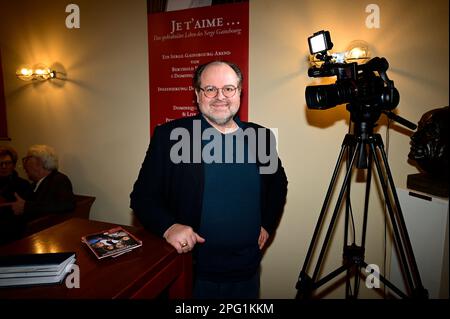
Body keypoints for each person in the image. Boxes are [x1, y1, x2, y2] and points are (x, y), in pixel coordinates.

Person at [130, 60, 288, 299]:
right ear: (197, 94)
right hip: (191, 272)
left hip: (247, 273)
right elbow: (143, 196)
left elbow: (278, 185)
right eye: (210, 89)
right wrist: (168, 226)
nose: (220, 96)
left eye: (228, 88)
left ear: (239, 92)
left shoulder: (260, 137)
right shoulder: (170, 136)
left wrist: (267, 223)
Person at [7, 144, 76, 221]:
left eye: (27, 159)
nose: (24, 165)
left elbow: (67, 205)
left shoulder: (59, 179)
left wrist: (26, 206)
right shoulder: (35, 184)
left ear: (39, 162)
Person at [0, 146, 33, 244]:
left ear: (14, 164)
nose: (4, 167)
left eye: (8, 163)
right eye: (0, 163)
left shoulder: (23, 184)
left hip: (13, 233)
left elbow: (25, 213)